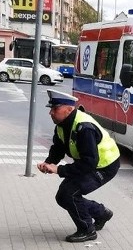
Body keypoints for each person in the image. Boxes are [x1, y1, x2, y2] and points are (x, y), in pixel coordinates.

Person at [37, 90, 121, 242]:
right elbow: (58, 148)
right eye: (51, 108)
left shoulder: (84, 128)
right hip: (90, 164)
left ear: (69, 109)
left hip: (104, 166)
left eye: (55, 109)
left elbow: (89, 163)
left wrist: (59, 170)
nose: (51, 112)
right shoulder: (62, 125)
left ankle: (87, 230)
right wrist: (49, 163)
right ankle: (102, 213)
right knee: (63, 196)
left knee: (69, 193)